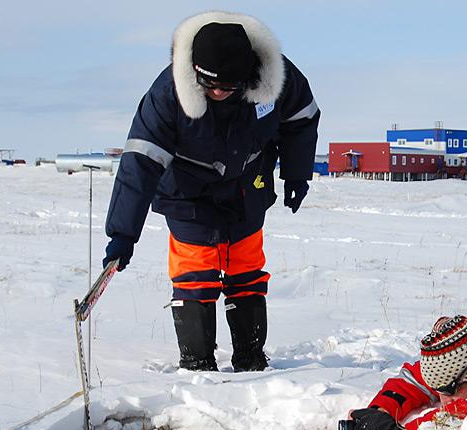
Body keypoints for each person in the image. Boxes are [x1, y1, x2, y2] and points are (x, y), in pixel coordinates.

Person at [102, 11, 320, 372]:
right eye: (209, 85)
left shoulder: (276, 76)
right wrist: (123, 235)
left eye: (227, 88)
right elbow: (140, 161)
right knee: (196, 273)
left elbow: (302, 118)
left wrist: (297, 175)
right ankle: (198, 365)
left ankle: (250, 359)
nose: (217, 93)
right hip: (187, 192)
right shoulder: (166, 95)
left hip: (247, 186)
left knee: (246, 269)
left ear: (248, 76)